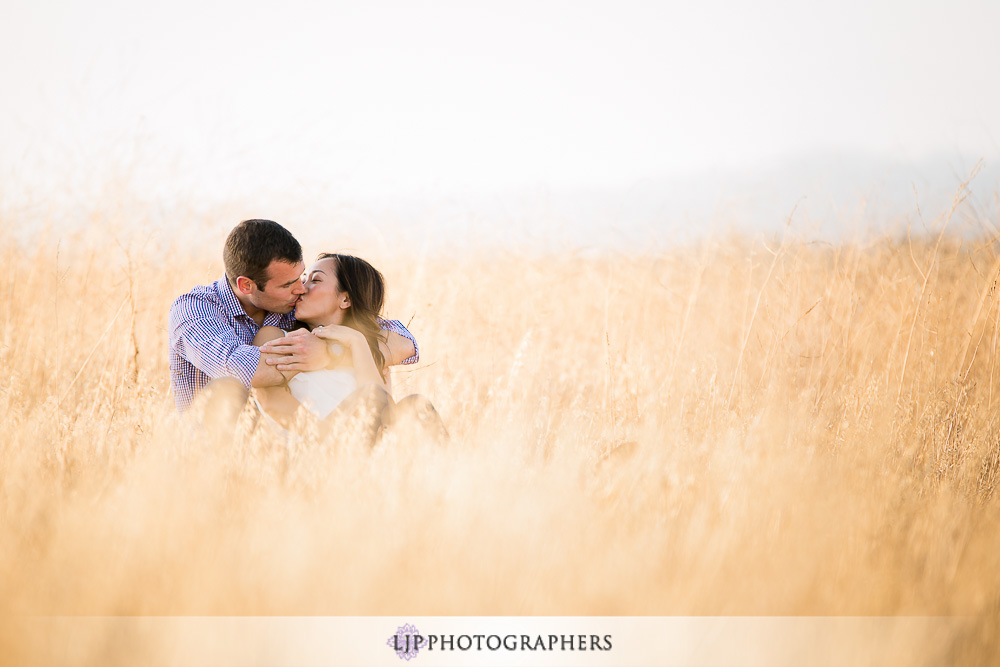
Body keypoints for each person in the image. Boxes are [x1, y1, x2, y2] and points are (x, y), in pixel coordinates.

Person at [168, 220, 418, 426]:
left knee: (413, 406)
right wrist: (331, 354)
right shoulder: (196, 309)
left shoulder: (295, 309)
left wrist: (337, 348)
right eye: (289, 284)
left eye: (303, 277)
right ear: (247, 285)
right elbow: (243, 371)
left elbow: (405, 342)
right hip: (227, 441)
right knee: (227, 389)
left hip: (319, 437)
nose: (301, 288)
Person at [252, 253, 446, 445]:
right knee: (373, 395)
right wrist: (328, 437)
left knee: (414, 404)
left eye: (315, 280)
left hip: (367, 452)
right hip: (313, 449)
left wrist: (357, 341)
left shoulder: (365, 348)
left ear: (345, 300)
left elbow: (381, 413)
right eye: (303, 280)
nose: (301, 288)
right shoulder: (277, 337)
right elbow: (268, 399)